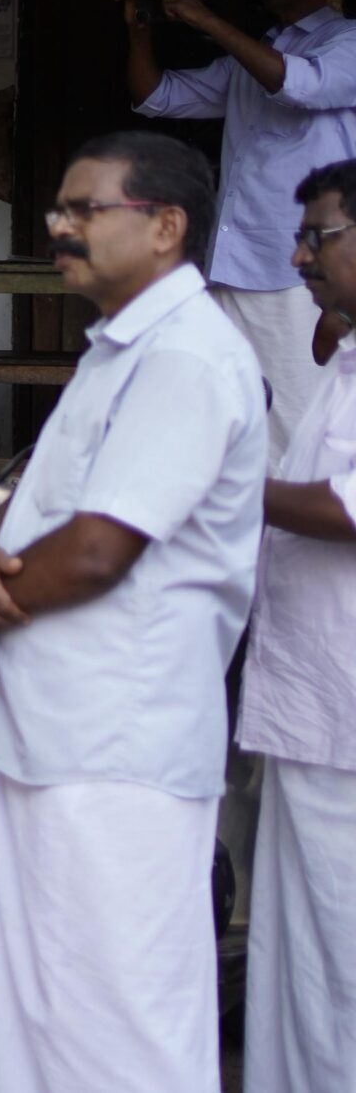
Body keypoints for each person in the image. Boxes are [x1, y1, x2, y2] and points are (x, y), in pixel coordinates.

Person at [0, 132, 263, 1093]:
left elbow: (96, 548)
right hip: (51, 738)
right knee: (39, 1020)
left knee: (114, 1032)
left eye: (86, 209)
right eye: (59, 208)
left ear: (166, 226)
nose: (59, 227)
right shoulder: (122, 349)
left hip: (116, 748)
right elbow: (34, 510)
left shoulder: (190, 355)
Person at [127, 0, 356, 462]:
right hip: (234, 263)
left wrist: (207, 21)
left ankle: (304, 513)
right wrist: (139, 29)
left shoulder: (345, 42)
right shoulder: (258, 53)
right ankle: (249, 515)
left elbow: (298, 86)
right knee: (231, 415)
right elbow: (156, 96)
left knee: (296, 418)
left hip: (301, 270)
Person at [241, 158, 356, 1093]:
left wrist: (224, 482)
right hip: (313, 706)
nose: (299, 256)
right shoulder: (346, 356)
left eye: (321, 236)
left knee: (339, 956)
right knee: (298, 952)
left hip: (344, 715)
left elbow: (347, 507)